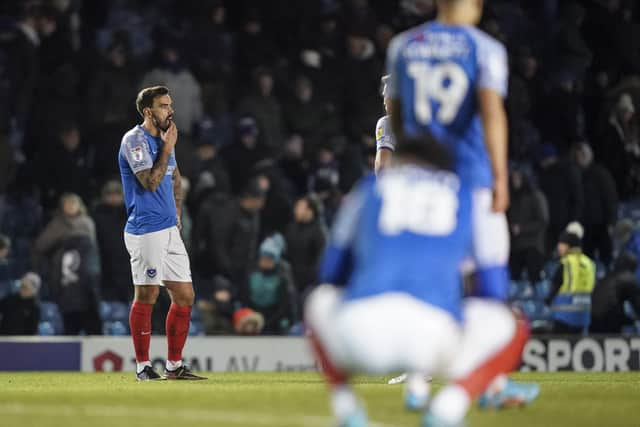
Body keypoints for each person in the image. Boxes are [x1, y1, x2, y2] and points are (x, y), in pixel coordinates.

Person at [306, 136, 531, 427]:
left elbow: (330, 270)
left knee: (318, 299)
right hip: (434, 337)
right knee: (512, 322)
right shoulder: (466, 196)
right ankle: (447, 410)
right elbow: (492, 287)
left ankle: (348, 410)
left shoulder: (368, 189)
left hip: (362, 335)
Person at [384, 0, 538, 404]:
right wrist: (501, 176)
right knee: (487, 285)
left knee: (429, 283)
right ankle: (489, 384)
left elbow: (396, 119)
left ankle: (417, 382)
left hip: (422, 182)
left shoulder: (403, 45)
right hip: (470, 180)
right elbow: (491, 112)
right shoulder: (484, 48)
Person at [119, 86, 205, 381]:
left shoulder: (164, 140)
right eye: (164, 106)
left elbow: (175, 180)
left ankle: (173, 365)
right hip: (145, 229)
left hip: (168, 229)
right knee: (148, 294)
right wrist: (167, 148)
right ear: (148, 111)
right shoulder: (135, 141)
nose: (171, 110)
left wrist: (177, 217)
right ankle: (143, 366)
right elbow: (150, 183)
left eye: (171, 105)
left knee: (185, 295)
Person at [545, 222, 596, 334]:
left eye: (561, 244)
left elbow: (556, 285)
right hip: (583, 315)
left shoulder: (566, 263)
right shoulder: (589, 263)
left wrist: (548, 300)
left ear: (568, 246)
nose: (559, 247)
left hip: (564, 316)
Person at [590, 252, 640, 334]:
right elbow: (637, 304)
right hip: (610, 322)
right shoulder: (629, 279)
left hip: (593, 319)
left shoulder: (607, 276)